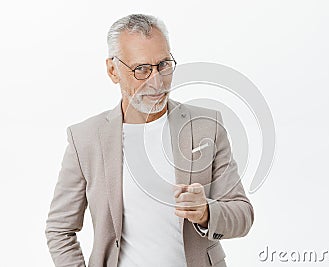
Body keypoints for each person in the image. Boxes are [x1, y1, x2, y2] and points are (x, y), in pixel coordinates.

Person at [45, 14, 254, 267]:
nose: (157, 81)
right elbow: (60, 230)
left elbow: (243, 215)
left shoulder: (206, 127)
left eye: (164, 64)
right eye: (141, 69)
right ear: (113, 70)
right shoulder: (85, 139)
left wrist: (206, 212)